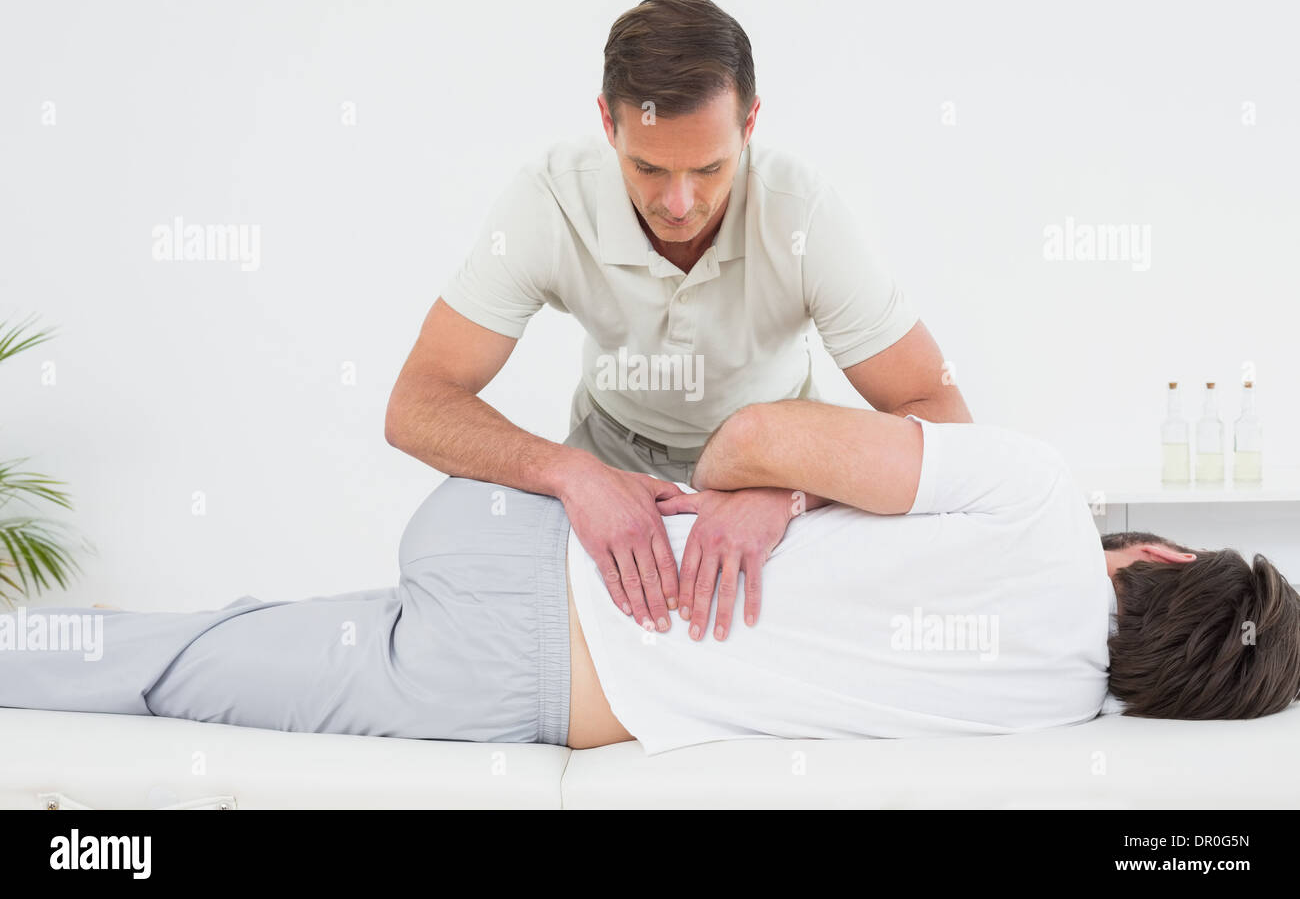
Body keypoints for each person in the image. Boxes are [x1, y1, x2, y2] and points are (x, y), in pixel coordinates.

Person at [3, 402, 1296, 754]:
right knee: (185, 672)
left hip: (523, 542)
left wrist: (779, 492)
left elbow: (747, 440)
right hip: (509, 691)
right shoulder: (1046, 717)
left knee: (195, 642)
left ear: (1168, 555)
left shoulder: (1032, 495)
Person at [384, 0, 973, 642]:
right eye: (647, 167)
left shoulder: (801, 211)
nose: (678, 202)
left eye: (710, 168)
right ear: (608, 124)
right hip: (610, 464)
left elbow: (941, 414)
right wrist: (570, 473)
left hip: (783, 478)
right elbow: (417, 403)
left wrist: (789, 493)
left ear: (749, 127)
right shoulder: (548, 199)